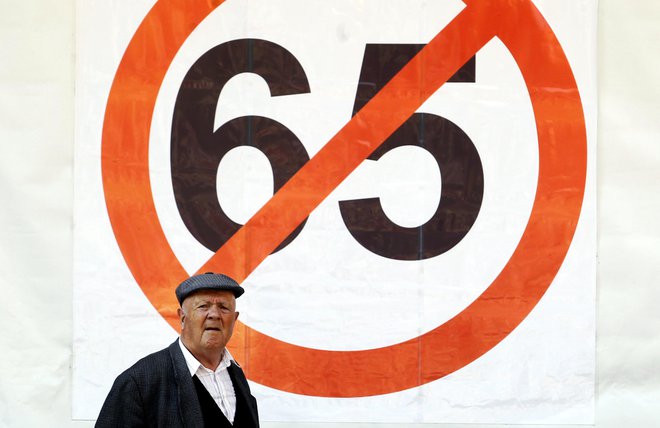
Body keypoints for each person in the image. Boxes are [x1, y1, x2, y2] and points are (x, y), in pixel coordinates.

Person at [95, 272, 259, 427]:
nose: (214, 314)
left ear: (235, 319)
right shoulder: (139, 382)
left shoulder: (236, 373)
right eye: (203, 306)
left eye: (224, 307)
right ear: (182, 318)